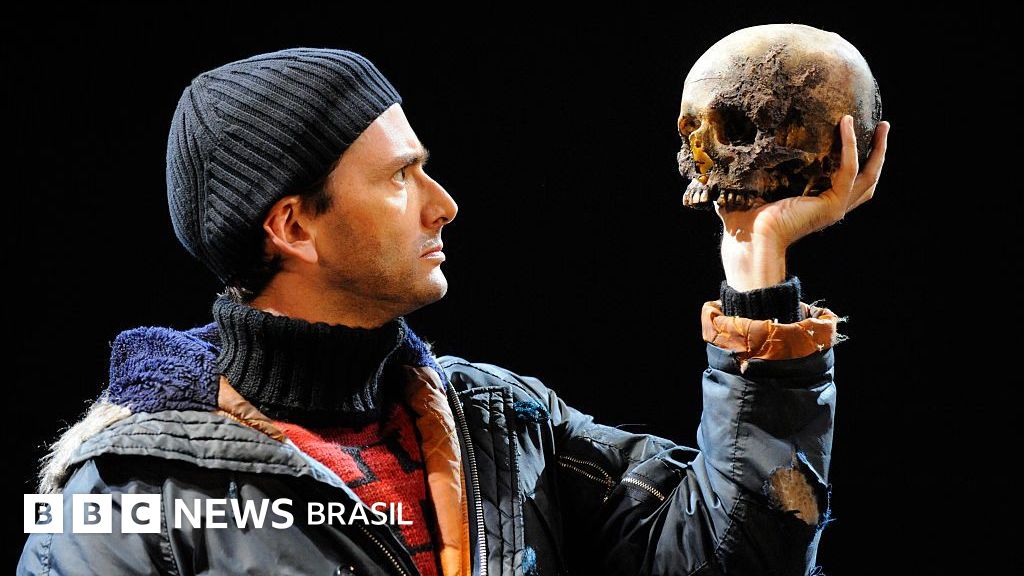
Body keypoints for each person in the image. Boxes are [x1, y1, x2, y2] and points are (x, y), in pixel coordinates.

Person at [17, 47, 889, 576]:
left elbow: (732, 556)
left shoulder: (504, 424)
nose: (444, 204)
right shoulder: (129, 497)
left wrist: (755, 270)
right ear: (294, 227)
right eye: (401, 177)